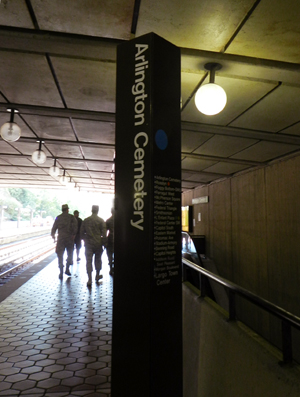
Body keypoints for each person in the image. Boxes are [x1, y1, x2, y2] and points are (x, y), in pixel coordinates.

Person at [81, 205, 107, 286]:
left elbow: (81, 233)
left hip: (88, 244)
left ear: (91, 210)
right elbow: (104, 233)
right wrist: (104, 243)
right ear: (98, 210)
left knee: (89, 261)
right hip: (98, 243)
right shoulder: (101, 220)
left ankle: (89, 279)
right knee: (98, 259)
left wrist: (85, 239)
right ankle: (97, 275)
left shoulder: (86, 220)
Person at [51, 204, 78, 280]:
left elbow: (54, 228)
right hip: (69, 239)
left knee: (60, 255)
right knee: (70, 254)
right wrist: (73, 234)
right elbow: (75, 227)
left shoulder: (58, 218)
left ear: (62, 210)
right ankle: (67, 269)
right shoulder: (71, 217)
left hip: (61, 239)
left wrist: (53, 236)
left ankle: (61, 272)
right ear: (67, 210)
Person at [106, 207, 114, 276]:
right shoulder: (120, 220)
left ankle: (111, 268)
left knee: (110, 254)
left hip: (110, 238)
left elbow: (105, 231)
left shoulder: (108, 220)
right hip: (119, 240)